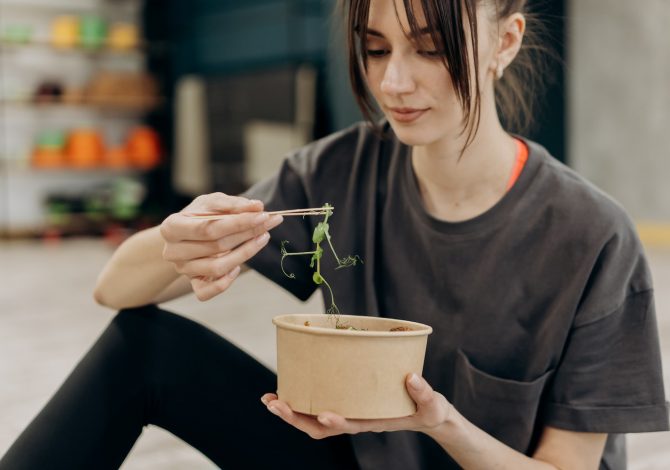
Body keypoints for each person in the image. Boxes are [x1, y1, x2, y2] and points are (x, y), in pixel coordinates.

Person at [2, 0, 668, 468]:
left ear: (507, 41)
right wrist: (176, 240)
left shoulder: (591, 238)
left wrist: (438, 424)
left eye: (429, 49)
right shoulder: (339, 173)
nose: (392, 82)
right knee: (141, 348)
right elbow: (114, 289)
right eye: (375, 49)